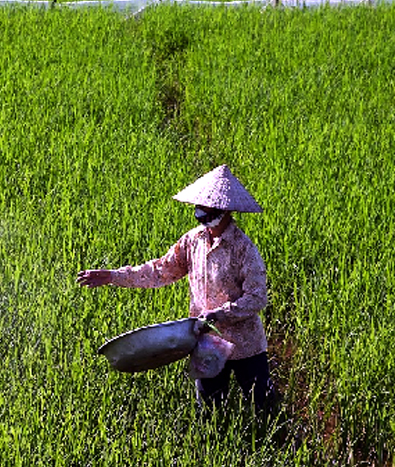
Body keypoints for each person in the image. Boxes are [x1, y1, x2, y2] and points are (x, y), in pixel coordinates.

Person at [76, 164, 275, 410]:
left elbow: (257, 298)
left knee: (263, 405)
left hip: (246, 345)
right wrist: (113, 276)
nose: (200, 213)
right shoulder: (193, 241)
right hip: (208, 342)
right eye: (199, 207)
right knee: (210, 410)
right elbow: (159, 271)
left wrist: (220, 313)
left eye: (207, 208)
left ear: (224, 210)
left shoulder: (244, 249)